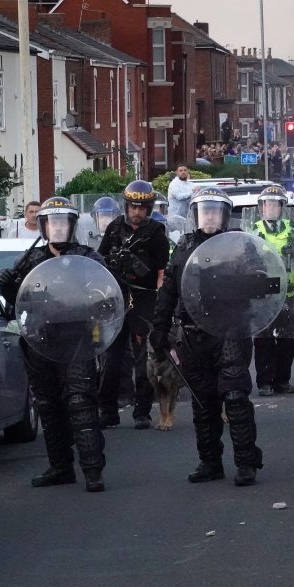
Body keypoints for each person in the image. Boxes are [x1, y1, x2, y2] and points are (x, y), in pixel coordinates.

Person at [149, 187, 264, 486]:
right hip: (193, 334)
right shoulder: (184, 246)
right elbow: (169, 291)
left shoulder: (241, 245)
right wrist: (159, 328)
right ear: (196, 215)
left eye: (215, 210)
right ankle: (210, 462)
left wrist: (253, 277)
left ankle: (245, 462)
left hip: (230, 331)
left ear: (224, 216)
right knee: (203, 403)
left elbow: (261, 279)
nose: (210, 215)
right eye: (205, 210)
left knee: (235, 397)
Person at [0, 197, 111, 492]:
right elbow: (18, 302)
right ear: (44, 226)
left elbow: (107, 293)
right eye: (53, 223)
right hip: (41, 340)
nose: (58, 228)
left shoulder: (89, 259)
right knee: (47, 405)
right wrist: (7, 284)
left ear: (72, 226)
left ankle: (92, 470)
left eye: (63, 223)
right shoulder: (30, 260)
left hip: (78, 340)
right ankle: (60, 467)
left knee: (81, 402)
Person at [97, 180, 170, 430]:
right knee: (111, 358)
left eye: (142, 208)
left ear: (149, 208)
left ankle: (142, 411)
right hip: (116, 297)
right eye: (133, 207)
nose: (137, 212)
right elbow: (100, 261)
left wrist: (161, 302)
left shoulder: (157, 233)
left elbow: (163, 270)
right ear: (126, 206)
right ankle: (107, 411)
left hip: (144, 297)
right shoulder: (114, 228)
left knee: (143, 359)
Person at [251, 184, 294, 396]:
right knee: (263, 340)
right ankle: (264, 382)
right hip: (263, 295)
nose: (270, 208)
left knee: (288, 339)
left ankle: (282, 380)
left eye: (274, 204)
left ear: (282, 207)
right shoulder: (253, 229)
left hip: (289, 292)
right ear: (262, 207)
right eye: (267, 204)